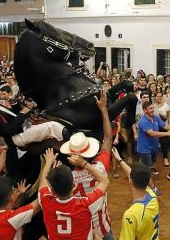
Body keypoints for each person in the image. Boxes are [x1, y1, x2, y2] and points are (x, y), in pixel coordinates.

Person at [60, 91, 114, 240]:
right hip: (103, 227)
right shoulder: (100, 167)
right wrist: (103, 109)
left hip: (82, 232)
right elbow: (108, 139)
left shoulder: (67, 178)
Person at [39, 147, 109, 240]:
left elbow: (43, 184)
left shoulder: (45, 201)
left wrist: (48, 163)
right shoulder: (85, 204)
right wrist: (83, 163)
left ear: (52, 190)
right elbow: (104, 181)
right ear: (73, 186)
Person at [0, 80, 70, 148]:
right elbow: (7, 131)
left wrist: (15, 104)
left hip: (22, 129)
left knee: (50, 118)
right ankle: (76, 140)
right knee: (52, 126)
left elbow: (12, 116)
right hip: (16, 137)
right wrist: (23, 112)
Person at [111, 148, 159, 239]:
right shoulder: (152, 196)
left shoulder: (131, 215)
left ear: (130, 181)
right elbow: (133, 175)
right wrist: (119, 159)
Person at [137, 101, 170, 193]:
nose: (152, 110)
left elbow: (164, 125)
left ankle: (140, 175)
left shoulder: (155, 118)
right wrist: (167, 133)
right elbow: (151, 133)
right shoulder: (142, 121)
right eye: (150, 108)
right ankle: (153, 187)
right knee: (147, 169)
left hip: (153, 147)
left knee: (150, 165)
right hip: (144, 149)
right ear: (144, 110)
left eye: (153, 108)